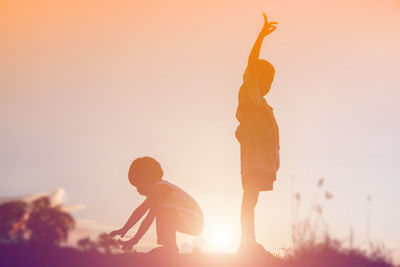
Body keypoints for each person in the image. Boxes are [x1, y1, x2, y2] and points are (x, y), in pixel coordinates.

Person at [235, 13, 280, 254]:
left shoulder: (263, 104)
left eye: (272, 80)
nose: (270, 83)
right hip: (253, 157)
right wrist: (261, 36)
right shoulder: (249, 94)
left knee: (252, 199)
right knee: (249, 198)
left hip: (262, 159)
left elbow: (273, 138)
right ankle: (247, 242)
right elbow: (252, 64)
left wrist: (275, 161)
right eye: (267, 78)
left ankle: (249, 240)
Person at [110, 156, 204, 254]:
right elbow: (149, 218)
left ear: (147, 178)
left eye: (138, 185)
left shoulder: (160, 187)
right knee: (160, 211)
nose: (138, 190)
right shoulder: (160, 197)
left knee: (163, 212)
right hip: (190, 220)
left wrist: (124, 229)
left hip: (193, 219)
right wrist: (135, 239)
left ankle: (170, 247)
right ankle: (169, 247)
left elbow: (141, 210)